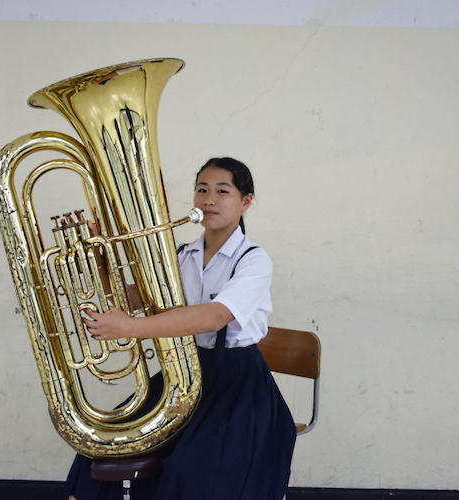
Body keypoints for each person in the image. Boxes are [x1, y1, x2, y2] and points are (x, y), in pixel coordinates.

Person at [66, 157, 296, 500]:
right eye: (202, 190)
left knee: (191, 468)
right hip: (186, 373)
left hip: (238, 385)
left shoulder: (253, 260)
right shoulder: (183, 254)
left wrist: (131, 327)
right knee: (104, 442)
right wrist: (99, 259)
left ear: (246, 202)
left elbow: (215, 316)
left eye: (222, 191)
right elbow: (136, 299)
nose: (209, 199)